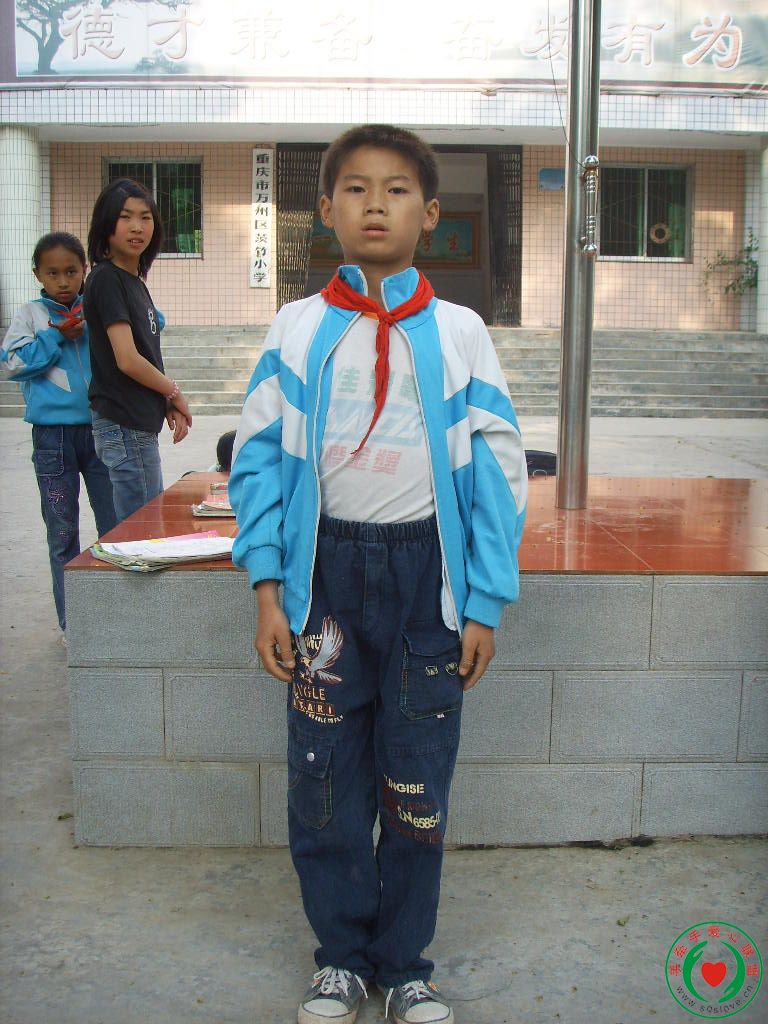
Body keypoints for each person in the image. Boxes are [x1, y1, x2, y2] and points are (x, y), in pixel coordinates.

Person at [229, 125, 527, 1024]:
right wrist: (269, 589)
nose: (375, 204)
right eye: (355, 188)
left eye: (397, 190)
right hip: (322, 582)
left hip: (426, 588)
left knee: (416, 784)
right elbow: (258, 460)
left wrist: (484, 601)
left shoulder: (461, 332)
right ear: (325, 210)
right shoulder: (297, 327)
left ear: (429, 214)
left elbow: (499, 470)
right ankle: (341, 960)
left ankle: (404, 967)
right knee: (322, 781)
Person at [1, 232, 117, 639]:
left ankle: (116, 616)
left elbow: (149, 319)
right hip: (52, 439)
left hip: (101, 429)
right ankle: (74, 625)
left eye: (71, 271)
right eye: (53, 273)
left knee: (115, 526)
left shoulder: (96, 305)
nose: (63, 281)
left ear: (85, 270)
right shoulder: (30, 315)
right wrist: (54, 337)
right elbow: (13, 363)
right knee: (62, 532)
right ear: (38, 274)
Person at [83, 178, 192, 523]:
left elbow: (146, 355)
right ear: (106, 224)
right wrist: (173, 391)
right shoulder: (107, 279)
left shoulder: (133, 283)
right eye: (125, 216)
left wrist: (164, 401)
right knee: (142, 532)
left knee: (138, 528)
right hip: (124, 424)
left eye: (145, 217)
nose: (137, 227)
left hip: (136, 424)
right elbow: (127, 359)